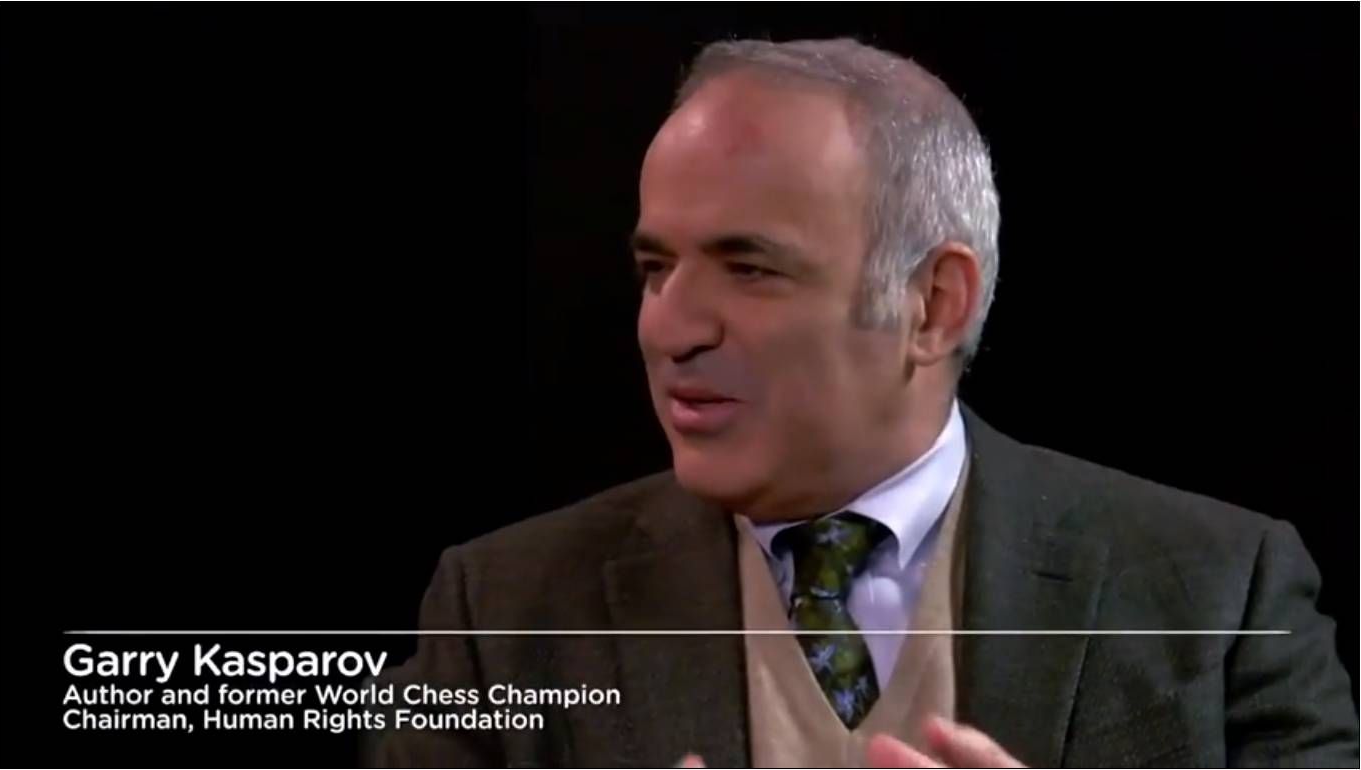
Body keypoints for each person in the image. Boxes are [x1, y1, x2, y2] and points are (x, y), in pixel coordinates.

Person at [366, 38, 1357, 768]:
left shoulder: (1223, 599)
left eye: (750, 267)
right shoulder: (500, 616)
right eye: (656, 267)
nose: (670, 327)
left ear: (933, 305)